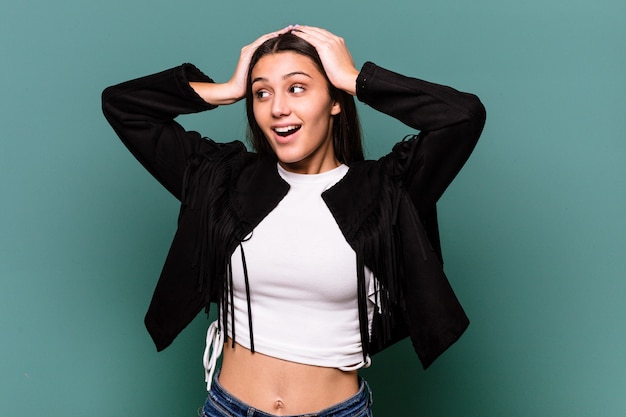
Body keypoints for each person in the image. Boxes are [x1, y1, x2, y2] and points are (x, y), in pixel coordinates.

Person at [102, 25, 485, 417]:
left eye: (297, 88)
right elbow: (122, 105)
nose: (277, 108)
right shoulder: (222, 179)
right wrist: (228, 88)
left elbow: (462, 117)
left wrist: (356, 79)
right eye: (262, 93)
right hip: (228, 409)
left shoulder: (387, 189)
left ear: (334, 100)